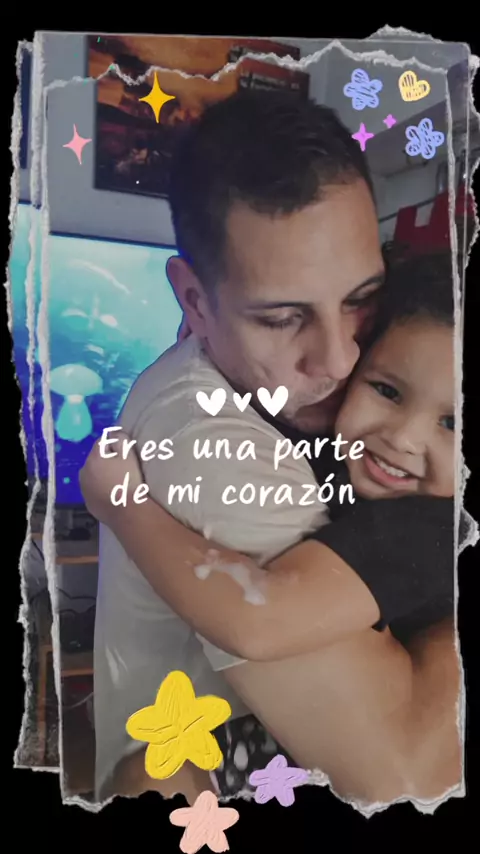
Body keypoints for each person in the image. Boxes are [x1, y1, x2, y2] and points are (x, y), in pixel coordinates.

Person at [81, 91, 460, 805]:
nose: (341, 359)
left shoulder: (343, 417)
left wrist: (122, 505)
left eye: (360, 299)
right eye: (283, 317)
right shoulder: (213, 448)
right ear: (196, 302)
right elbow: (404, 776)